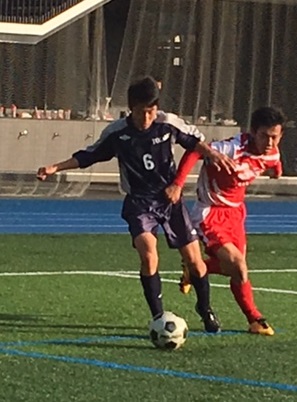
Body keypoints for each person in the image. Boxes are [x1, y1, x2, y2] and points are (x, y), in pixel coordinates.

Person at [36, 76, 236, 333]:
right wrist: (55, 167)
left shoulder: (167, 123)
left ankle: (205, 308)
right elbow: (89, 155)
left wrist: (208, 156)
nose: (147, 117)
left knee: (195, 261)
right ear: (132, 108)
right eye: (142, 112)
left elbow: (194, 144)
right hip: (139, 203)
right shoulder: (118, 133)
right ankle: (158, 317)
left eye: (151, 111)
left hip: (170, 201)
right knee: (149, 254)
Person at [165, 106, 286, 336]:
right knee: (239, 265)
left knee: (239, 272)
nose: (269, 142)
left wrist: (277, 170)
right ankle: (255, 317)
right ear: (252, 132)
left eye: (274, 137)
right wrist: (178, 184)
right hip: (210, 213)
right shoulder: (231, 147)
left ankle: (196, 270)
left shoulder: (272, 152)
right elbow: (195, 152)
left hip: (236, 214)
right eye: (264, 136)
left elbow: (273, 162)